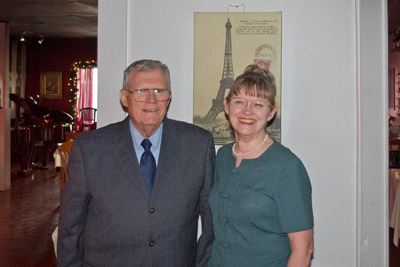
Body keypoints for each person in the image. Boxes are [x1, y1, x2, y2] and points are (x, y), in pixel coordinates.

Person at [57, 59, 215, 267]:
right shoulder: (89, 149)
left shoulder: (198, 145)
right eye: (141, 91)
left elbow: (213, 224)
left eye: (159, 90)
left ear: (169, 97)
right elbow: (70, 229)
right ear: (124, 98)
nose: (152, 100)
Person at [208, 65, 314, 267]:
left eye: (258, 104)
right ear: (226, 106)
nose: (247, 111)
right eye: (239, 102)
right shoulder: (222, 156)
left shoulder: (287, 167)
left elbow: (304, 250)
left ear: (271, 112)